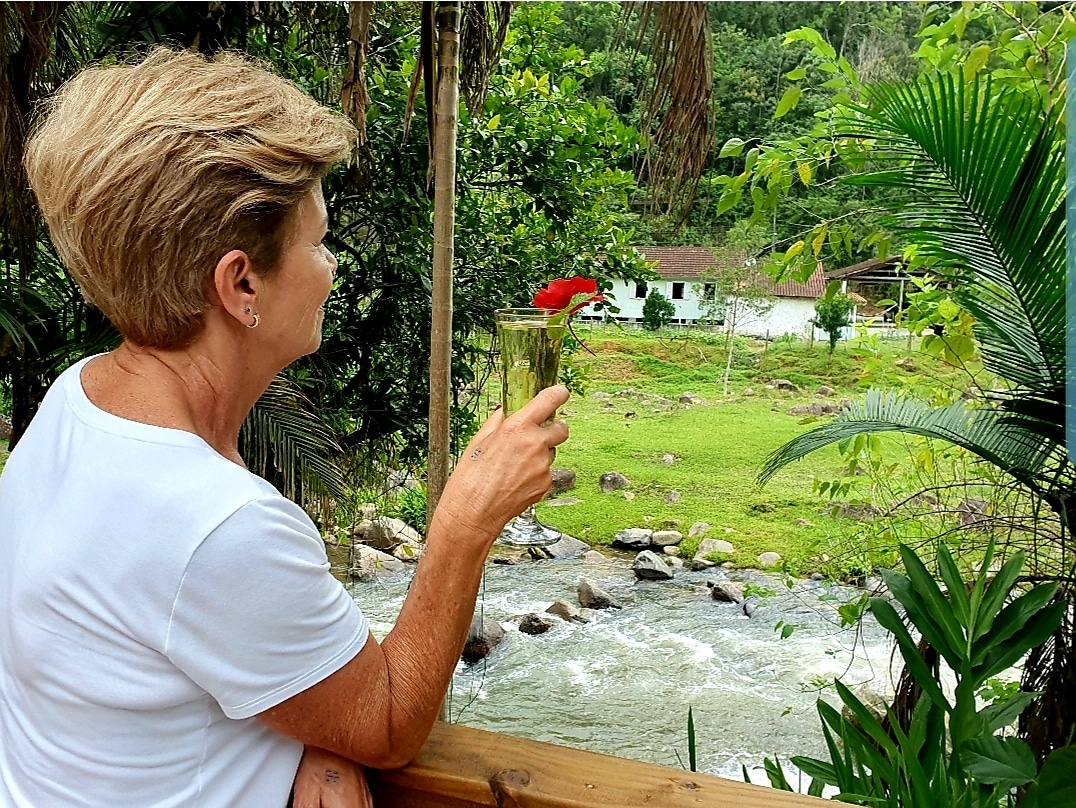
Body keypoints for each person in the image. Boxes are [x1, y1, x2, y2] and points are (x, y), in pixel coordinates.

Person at [0, 48, 569, 807]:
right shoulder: (215, 524)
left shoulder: (78, 402)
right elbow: (390, 721)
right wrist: (467, 520)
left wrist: (297, 745)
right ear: (241, 284)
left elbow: (153, 652)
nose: (331, 267)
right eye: (316, 242)